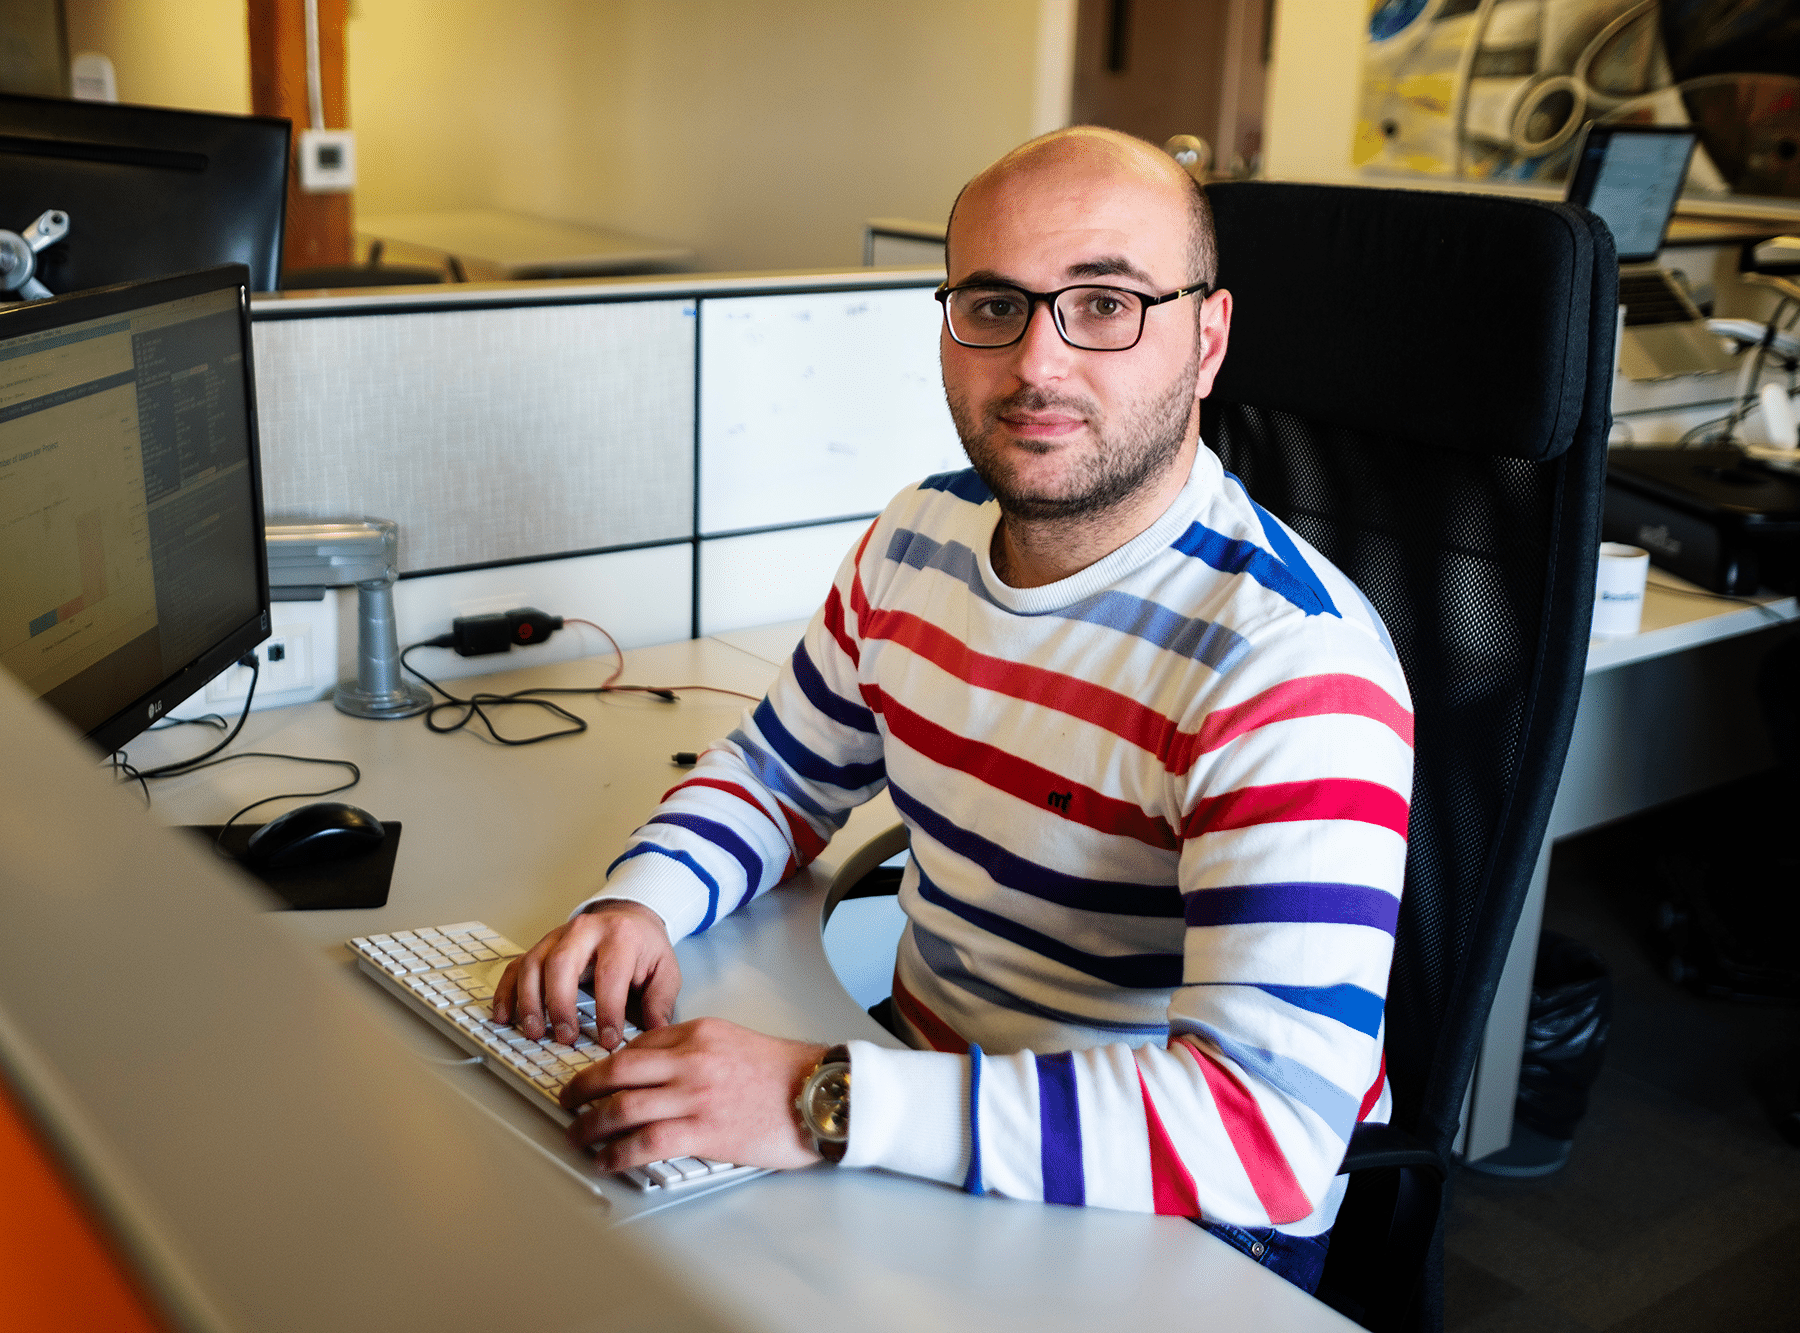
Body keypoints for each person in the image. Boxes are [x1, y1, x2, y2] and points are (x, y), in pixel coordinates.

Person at [493, 126, 1413, 1294]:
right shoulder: (915, 538)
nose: (1037, 361)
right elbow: (778, 775)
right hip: (917, 1105)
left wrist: (811, 1095)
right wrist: (640, 903)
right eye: (992, 304)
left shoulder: (1284, 671)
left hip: (1167, 1219)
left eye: (1105, 303)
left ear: (1207, 338)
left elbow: (1262, 1134)